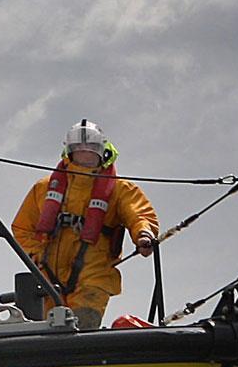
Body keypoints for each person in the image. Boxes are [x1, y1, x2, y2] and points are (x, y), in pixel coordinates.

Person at [9, 120, 158, 330]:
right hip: (47, 276)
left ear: (103, 152)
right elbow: (22, 228)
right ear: (69, 152)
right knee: (42, 332)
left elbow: (139, 214)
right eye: (79, 149)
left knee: (83, 324)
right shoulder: (43, 189)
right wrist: (37, 254)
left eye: (91, 150)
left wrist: (143, 234)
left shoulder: (120, 189)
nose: (85, 154)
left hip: (94, 275)